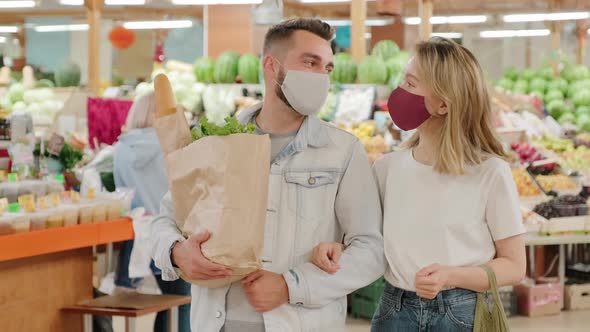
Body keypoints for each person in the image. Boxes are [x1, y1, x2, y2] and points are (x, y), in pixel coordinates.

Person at [151, 18, 385, 332]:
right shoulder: (214, 141)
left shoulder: (342, 151)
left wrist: (294, 286)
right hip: (214, 323)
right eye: (310, 62)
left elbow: (370, 250)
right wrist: (177, 253)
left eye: (327, 68)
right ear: (271, 66)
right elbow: (164, 219)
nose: (321, 76)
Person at [313, 37, 527, 332]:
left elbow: (515, 266)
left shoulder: (490, 172)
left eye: (411, 84)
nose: (401, 92)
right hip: (394, 309)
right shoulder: (387, 168)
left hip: (462, 312)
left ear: (443, 104)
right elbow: (364, 239)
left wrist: (451, 276)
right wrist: (336, 246)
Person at [113, 92, 191, 332]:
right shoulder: (173, 146)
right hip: (174, 232)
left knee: (165, 304)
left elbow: (120, 193)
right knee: (181, 304)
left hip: (136, 237)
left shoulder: (120, 149)